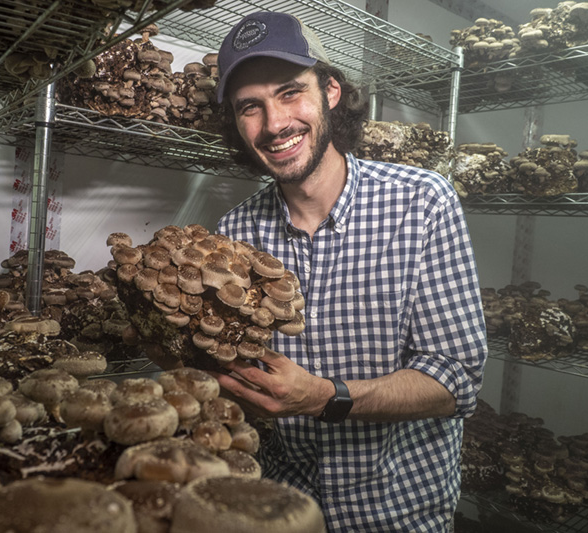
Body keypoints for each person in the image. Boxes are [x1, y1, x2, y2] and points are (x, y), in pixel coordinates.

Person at [212, 11, 487, 532]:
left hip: (399, 513)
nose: (274, 125)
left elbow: (457, 379)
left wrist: (324, 398)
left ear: (331, 91)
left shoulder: (422, 203)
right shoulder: (235, 232)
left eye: (291, 92)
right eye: (251, 106)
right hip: (282, 512)